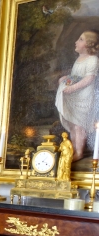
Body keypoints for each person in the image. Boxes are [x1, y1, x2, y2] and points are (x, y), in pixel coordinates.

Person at [55, 30, 99, 162]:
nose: (76, 41)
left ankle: (79, 152)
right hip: (75, 97)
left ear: (88, 44)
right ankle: (75, 149)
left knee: (79, 125)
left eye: (80, 39)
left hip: (84, 98)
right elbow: (76, 76)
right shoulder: (80, 59)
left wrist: (73, 87)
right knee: (74, 125)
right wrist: (66, 78)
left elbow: (88, 79)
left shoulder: (93, 59)